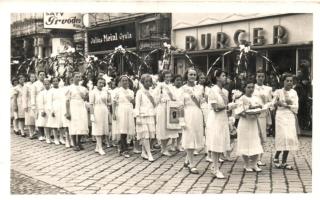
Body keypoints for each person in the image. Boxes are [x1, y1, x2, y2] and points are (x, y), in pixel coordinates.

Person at [235, 78, 264, 172]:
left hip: (253, 123)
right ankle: (247, 164)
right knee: (245, 142)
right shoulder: (241, 99)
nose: (251, 89)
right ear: (244, 88)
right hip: (245, 123)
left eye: (252, 87)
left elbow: (260, 108)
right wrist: (247, 114)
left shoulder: (256, 98)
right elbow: (238, 112)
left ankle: (254, 164)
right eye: (249, 87)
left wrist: (257, 112)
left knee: (255, 141)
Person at [205, 69, 231, 178]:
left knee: (221, 142)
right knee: (216, 143)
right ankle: (215, 169)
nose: (225, 78)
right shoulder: (212, 90)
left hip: (223, 118)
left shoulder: (225, 91)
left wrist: (229, 111)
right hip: (215, 119)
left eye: (225, 76)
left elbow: (225, 108)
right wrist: (228, 107)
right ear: (217, 78)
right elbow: (215, 108)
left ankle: (214, 166)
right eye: (223, 75)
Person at [180, 68, 204, 174]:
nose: (193, 76)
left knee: (196, 137)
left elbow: (201, 102)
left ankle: (187, 160)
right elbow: (180, 106)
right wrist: (181, 120)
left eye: (194, 75)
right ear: (187, 76)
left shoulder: (200, 88)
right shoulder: (182, 89)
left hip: (197, 114)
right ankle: (191, 164)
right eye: (190, 74)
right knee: (189, 138)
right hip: (188, 114)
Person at [272, 73, 299, 170]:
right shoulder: (278, 92)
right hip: (280, 116)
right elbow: (272, 104)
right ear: (283, 82)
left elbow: (296, 106)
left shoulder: (294, 93)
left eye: (291, 81)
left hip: (290, 116)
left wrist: (286, 105)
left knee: (290, 137)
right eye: (287, 80)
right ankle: (276, 156)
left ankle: (284, 161)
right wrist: (277, 103)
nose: (289, 82)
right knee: (283, 137)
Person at [154, 70, 179, 156]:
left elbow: (176, 97)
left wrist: (173, 98)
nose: (168, 78)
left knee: (171, 129)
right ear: (163, 77)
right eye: (166, 77)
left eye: (169, 76)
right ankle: (163, 148)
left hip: (171, 108)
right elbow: (155, 100)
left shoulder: (172, 87)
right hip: (162, 108)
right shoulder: (159, 86)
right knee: (162, 128)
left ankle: (164, 147)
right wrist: (160, 98)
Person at [252, 70, 273, 167]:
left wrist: (266, 105)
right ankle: (252, 156)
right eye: (259, 76)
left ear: (264, 78)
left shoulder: (268, 89)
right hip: (253, 114)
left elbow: (270, 101)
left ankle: (259, 158)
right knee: (254, 135)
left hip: (263, 114)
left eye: (262, 76)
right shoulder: (252, 87)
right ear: (256, 77)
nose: (260, 78)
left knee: (262, 135)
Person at [134, 74, 156, 162]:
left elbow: (154, 103)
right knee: (145, 134)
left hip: (150, 115)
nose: (148, 83)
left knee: (150, 134)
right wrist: (137, 116)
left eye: (149, 81)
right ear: (142, 82)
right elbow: (137, 105)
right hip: (142, 115)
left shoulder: (152, 91)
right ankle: (149, 153)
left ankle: (143, 152)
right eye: (146, 81)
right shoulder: (140, 92)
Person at [66, 72, 89, 151]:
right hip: (73, 106)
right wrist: (67, 112)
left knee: (81, 124)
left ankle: (79, 142)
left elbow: (86, 98)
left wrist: (85, 96)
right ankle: (74, 144)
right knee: (73, 124)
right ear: (73, 78)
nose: (78, 78)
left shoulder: (83, 88)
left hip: (81, 106)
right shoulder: (69, 88)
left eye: (79, 77)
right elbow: (67, 101)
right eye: (76, 77)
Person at [113, 75, 135, 158]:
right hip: (121, 110)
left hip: (129, 110)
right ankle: (125, 149)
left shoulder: (131, 92)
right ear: (120, 82)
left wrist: (131, 100)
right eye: (123, 80)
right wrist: (114, 114)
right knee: (122, 129)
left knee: (127, 129)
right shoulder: (118, 91)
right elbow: (114, 103)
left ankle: (121, 148)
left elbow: (133, 102)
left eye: (126, 80)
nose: (125, 82)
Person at [89, 78, 111, 155]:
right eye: (99, 82)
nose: (101, 84)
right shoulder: (93, 92)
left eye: (102, 83)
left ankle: (97, 147)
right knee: (98, 128)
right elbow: (91, 104)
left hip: (104, 110)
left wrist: (109, 95)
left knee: (103, 128)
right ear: (96, 83)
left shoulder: (105, 91)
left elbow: (108, 102)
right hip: (96, 110)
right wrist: (92, 115)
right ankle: (100, 147)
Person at [47, 77, 65, 145]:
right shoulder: (50, 91)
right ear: (52, 82)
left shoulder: (61, 90)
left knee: (61, 124)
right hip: (54, 108)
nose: (55, 82)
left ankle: (61, 138)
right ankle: (55, 138)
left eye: (56, 81)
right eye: (54, 81)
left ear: (58, 82)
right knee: (54, 124)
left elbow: (63, 99)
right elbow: (49, 102)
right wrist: (51, 111)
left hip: (61, 108)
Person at [170, 74, 184, 152]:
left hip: (181, 109)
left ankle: (178, 144)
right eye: (177, 80)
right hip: (173, 109)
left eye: (180, 80)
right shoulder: (172, 89)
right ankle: (172, 144)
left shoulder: (183, 89)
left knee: (180, 128)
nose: (179, 82)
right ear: (174, 81)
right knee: (174, 128)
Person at [31, 70, 45, 141]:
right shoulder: (35, 84)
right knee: (39, 119)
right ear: (38, 76)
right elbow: (33, 95)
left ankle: (44, 134)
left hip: (45, 103)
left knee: (44, 119)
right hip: (38, 103)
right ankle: (40, 134)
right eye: (40, 75)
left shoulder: (46, 83)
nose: (42, 76)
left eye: (43, 74)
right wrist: (33, 105)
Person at [22, 73, 37, 139]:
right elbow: (24, 96)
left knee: (34, 118)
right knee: (29, 119)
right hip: (29, 104)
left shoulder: (36, 84)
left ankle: (34, 132)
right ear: (29, 78)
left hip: (35, 103)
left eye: (34, 77)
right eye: (31, 77)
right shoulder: (26, 85)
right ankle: (31, 133)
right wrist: (25, 105)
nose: (33, 78)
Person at [37, 79, 52, 144]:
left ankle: (50, 136)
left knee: (51, 123)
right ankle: (47, 137)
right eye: (45, 84)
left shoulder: (52, 91)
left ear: (50, 84)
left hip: (51, 108)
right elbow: (40, 102)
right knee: (46, 123)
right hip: (45, 108)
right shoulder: (42, 93)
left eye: (48, 84)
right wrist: (42, 110)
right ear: (43, 85)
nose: (47, 85)